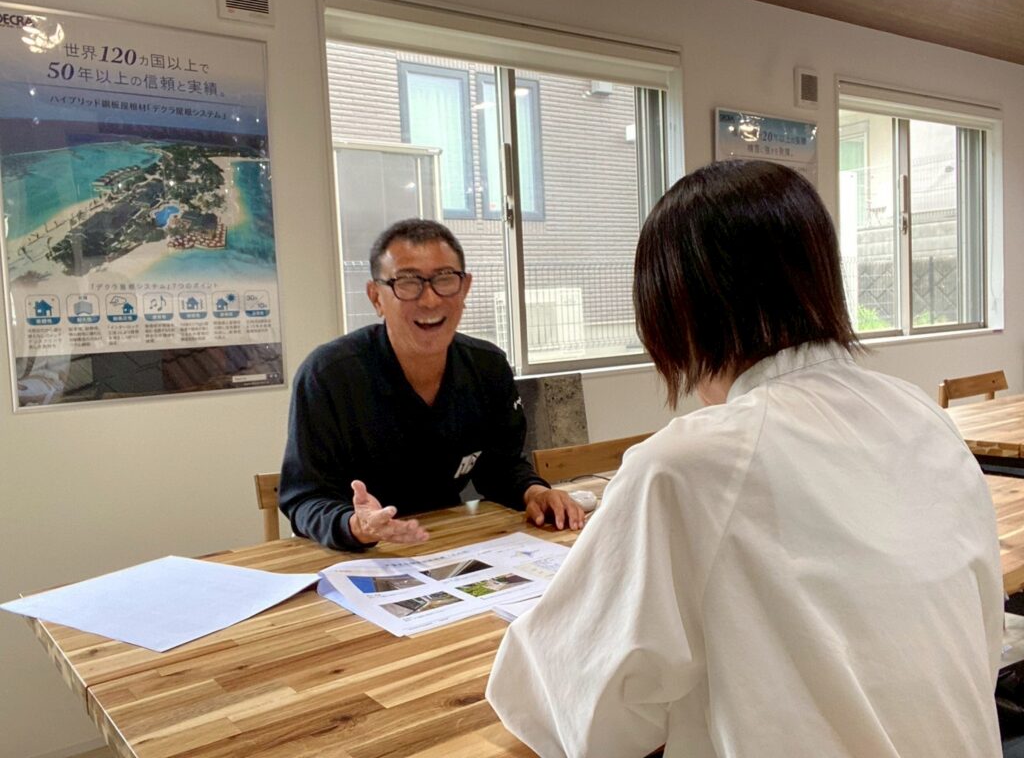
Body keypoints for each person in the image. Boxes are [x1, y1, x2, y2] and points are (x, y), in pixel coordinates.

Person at [486, 160, 1002, 757]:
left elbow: (573, 707)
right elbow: (980, 630)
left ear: (677, 312)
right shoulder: (920, 415)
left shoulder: (688, 464)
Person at [279, 218, 584, 551]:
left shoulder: (487, 367)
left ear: (465, 288)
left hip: (446, 541)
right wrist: (355, 525)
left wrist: (535, 492)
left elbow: (501, 467)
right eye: (408, 282)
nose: (429, 300)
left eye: (444, 279)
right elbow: (304, 497)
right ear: (376, 297)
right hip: (351, 553)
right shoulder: (328, 376)